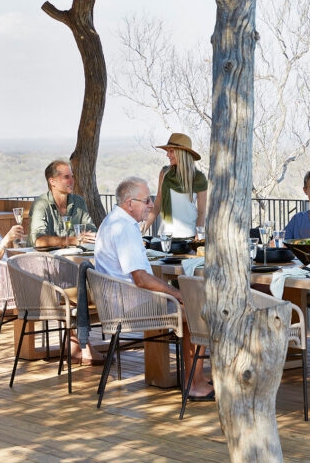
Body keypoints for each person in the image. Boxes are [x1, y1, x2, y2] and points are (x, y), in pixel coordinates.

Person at [95, 176, 214, 400]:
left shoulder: (111, 221)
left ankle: (196, 377)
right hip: (130, 305)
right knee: (195, 308)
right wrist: (177, 293)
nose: (151, 205)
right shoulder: (125, 228)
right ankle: (195, 383)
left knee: (187, 300)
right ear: (129, 203)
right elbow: (141, 278)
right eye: (146, 200)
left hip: (116, 301)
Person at [143, 133, 208, 239]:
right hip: (166, 235)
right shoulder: (164, 173)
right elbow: (157, 205)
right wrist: (143, 229)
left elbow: (202, 212)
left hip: (189, 236)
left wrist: (198, 236)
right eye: (167, 151)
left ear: (182, 153)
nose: (167, 155)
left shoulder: (199, 178)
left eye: (171, 151)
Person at [28, 160, 96, 248]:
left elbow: (91, 231)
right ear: (52, 181)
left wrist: (87, 237)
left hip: (74, 257)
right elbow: (39, 241)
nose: (72, 181)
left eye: (72, 177)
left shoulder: (79, 202)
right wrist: (72, 240)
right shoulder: (40, 205)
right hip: (45, 259)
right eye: (66, 177)